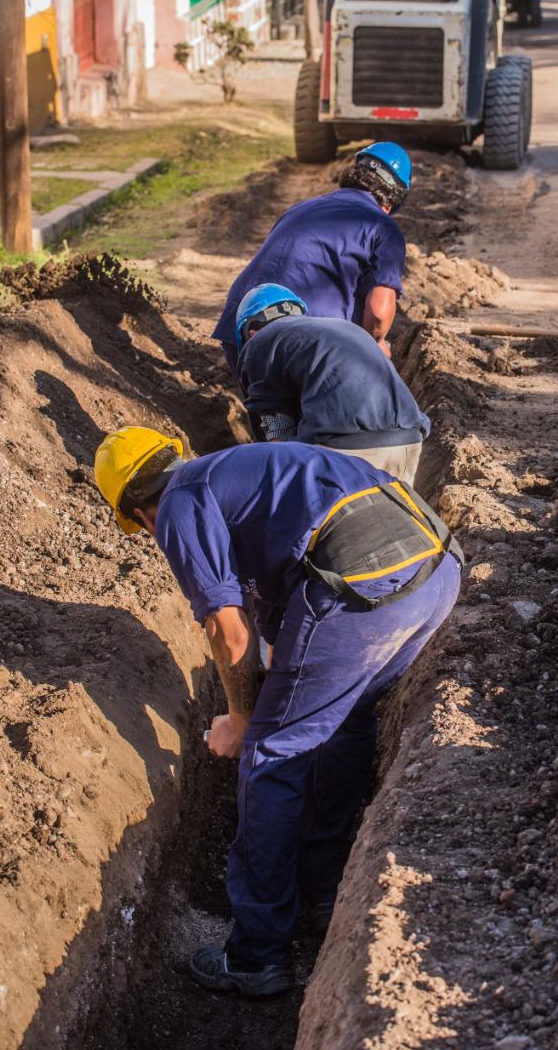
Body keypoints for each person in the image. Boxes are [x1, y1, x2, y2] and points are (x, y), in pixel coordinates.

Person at [93, 427, 461, 997]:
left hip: (363, 587)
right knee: (347, 718)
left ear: (137, 511)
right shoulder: (239, 474)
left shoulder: (178, 505)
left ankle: (256, 953)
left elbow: (228, 630)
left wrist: (243, 718)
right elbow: (271, 598)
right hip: (434, 572)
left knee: (271, 755)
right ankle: (323, 891)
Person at [213, 143, 411, 377]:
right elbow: (378, 311)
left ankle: (270, 407)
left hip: (239, 337)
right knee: (341, 400)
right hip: (304, 349)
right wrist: (374, 346)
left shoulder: (299, 209)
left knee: (270, 400)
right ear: (393, 201)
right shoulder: (384, 228)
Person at [232, 283, 430, 485]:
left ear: (251, 332)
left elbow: (273, 426)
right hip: (409, 440)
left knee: (314, 512)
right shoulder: (340, 329)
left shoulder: (259, 343)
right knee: (394, 515)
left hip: (346, 448)